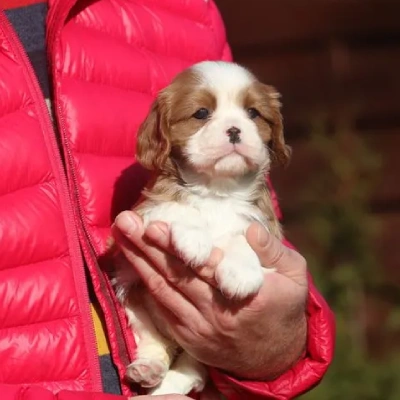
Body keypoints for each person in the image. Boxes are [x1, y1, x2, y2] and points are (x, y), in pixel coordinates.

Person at [0, 0, 334, 399]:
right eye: (202, 114)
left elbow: (271, 291)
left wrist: (277, 344)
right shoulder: (165, 186)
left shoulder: (190, 10)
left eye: (251, 113)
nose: (232, 128)